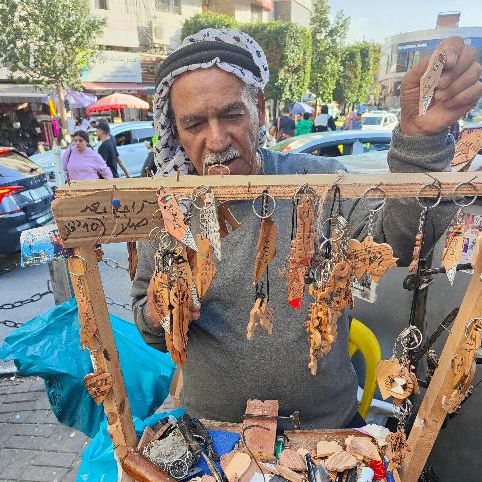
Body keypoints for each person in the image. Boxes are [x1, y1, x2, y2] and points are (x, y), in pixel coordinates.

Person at [131, 29, 481, 429]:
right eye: (195, 124)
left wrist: (421, 140)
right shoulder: (170, 207)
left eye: (232, 114)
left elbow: (398, 242)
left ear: (258, 108)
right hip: (213, 432)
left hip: (325, 427)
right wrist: (162, 313)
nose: (217, 139)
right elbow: (149, 325)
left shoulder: (320, 184)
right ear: (175, 130)